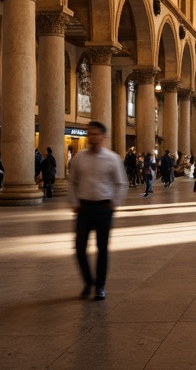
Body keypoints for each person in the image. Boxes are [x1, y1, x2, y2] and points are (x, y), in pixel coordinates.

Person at [66, 121, 127, 301]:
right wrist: (74, 202)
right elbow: (72, 181)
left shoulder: (112, 158)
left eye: (95, 134)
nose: (91, 137)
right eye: (89, 133)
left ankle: (100, 286)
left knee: (102, 249)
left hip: (103, 208)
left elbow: (121, 183)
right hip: (84, 207)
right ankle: (88, 281)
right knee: (79, 248)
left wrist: (114, 204)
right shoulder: (79, 157)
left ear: (103, 137)